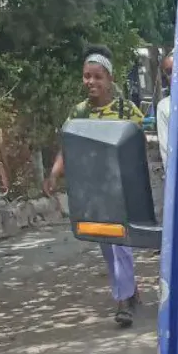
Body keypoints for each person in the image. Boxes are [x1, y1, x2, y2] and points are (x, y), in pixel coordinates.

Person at [45, 47, 144, 327]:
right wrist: (54, 175)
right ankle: (129, 289)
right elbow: (67, 146)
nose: (91, 82)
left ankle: (122, 301)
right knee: (107, 246)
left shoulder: (126, 110)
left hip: (121, 189)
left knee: (120, 243)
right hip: (93, 191)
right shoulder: (79, 113)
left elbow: (138, 145)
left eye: (97, 77)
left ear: (109, 79)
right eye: (87, 76)